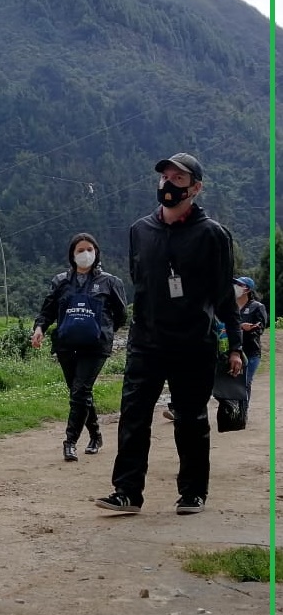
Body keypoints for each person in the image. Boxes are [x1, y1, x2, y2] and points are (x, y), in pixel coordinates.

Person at [96, 152, 242, 516]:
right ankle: (127, 491)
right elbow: (140, 282)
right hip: (147, 342)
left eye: (179, 179)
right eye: (165, 177)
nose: (168, 184)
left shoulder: (213, 235)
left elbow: (224, 295)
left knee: (191, 418)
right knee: (133, 415)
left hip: (194, 343)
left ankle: (193, 492)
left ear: (196, 188)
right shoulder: (140, 230)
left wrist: (235, 345)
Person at [31, 233, 127, 461]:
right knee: (78, 392)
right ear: (72, 255)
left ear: (97, 252)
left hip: (96, 346)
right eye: (80, 250)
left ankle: (70, 441)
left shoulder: (110, 282)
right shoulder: (61, 282)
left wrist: (104, 329)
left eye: (90, 249)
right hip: (66, 344)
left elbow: (121, 314)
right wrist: (39, 328)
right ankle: (95, 435)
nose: (86, 254)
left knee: (80, 391)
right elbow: (48, 310)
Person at [233, 276, 267, 418]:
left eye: (239, 285)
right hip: (232, 352)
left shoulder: (257, 307)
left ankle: (242, 413)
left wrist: (250, 328)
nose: (235, 287)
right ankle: (232, 411)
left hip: (251, 352)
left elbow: (260, 327)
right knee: (231, 383)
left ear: (247, 289)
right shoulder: (230, 307)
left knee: (245, 382)